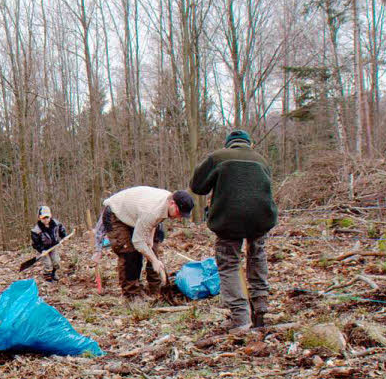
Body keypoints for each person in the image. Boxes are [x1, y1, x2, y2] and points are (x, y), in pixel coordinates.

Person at [190, 129, 277, 330]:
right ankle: (260, 306)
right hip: (261, 218)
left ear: (229, 144)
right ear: (249, 144)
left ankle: (240, 317)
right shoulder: (261, 160)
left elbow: (197, 186)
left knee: (228, 264)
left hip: (228, 219)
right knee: (257, 256)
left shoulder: (218, 157)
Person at [101, 186, 195, 298]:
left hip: (137, 215)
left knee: (154, 244)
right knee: (130, 253)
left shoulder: (166, 203)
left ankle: (157, 289)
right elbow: (138, 241)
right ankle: (131, 294)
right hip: (116, 214)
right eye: (179, 213)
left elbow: (154, 222)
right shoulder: (152, 211)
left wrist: (150, 240)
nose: (179, 218)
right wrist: (154, 260)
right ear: (172, 203)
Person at [30, 205, 67, 281]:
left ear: (50, 216)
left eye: (47, 217)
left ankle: (54, 273)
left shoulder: (56, 224)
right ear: (40, 218)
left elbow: (61, 229)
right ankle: (48, 277)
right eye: (43, 218)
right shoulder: (36, 230)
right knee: (48, 264)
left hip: (53, 246)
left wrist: (63, 235)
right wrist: (41, 250)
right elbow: (35, 243)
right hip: (43, 249)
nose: (46, 219)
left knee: (56, 261)